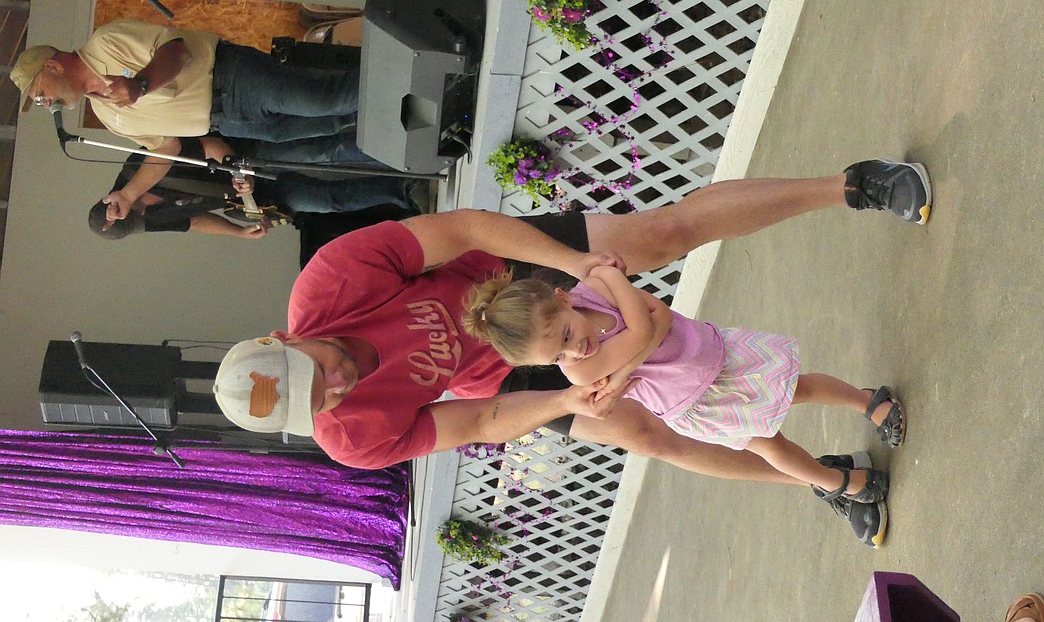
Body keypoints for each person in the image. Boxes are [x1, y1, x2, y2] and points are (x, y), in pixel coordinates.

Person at [212, 157, 932, 548]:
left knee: (660, 236)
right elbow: (483, 421)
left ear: (285, 339)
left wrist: (577, 265)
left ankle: (850, 184)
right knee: (655, 437)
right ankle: (822, 479)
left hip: (510, 282)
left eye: (318, 372)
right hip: (511, 369)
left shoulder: (330, 282)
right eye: (319, 404)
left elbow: (465, 228)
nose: (335, 387)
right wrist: (564, 399)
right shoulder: (350, 436)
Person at [460, 264, 905, 546]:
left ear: (562, 298)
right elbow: (644, 326)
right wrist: (619, 284)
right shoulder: (582, 362)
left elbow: (661, 316)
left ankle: (870, 402)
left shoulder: (592, 291)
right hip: (697, 403)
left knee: (798, 387)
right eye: (556, 357)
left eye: (565, 336)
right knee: (768, 445)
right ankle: (839, 481)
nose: (574, 352)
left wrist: (629, 357)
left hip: (716, 355)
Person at [10, 18, 374, 228]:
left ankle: (416, 80)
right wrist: (128, 194)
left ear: (54, 65)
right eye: (37, 102)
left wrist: (140, 84)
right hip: (228, 122)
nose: (44, 103)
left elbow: (176, 48)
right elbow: (165, 149)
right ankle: (413, 116)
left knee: (329, 99)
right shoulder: (107, 115)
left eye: (39, 93)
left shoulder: (105, 44)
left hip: (231, 78)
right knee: (333, 123)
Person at [88, 135, 423, 241]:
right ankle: (405, 188)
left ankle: (403, 148)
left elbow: (204, 143)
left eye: (137, 212)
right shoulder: (148, 222)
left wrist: (235, 167)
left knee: (324, 153)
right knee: (327, 202)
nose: (143, 215)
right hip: (247, 195)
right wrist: (237, 232)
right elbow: (194, 222)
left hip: (245, 154)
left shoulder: (138, 168)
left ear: (112, 200)